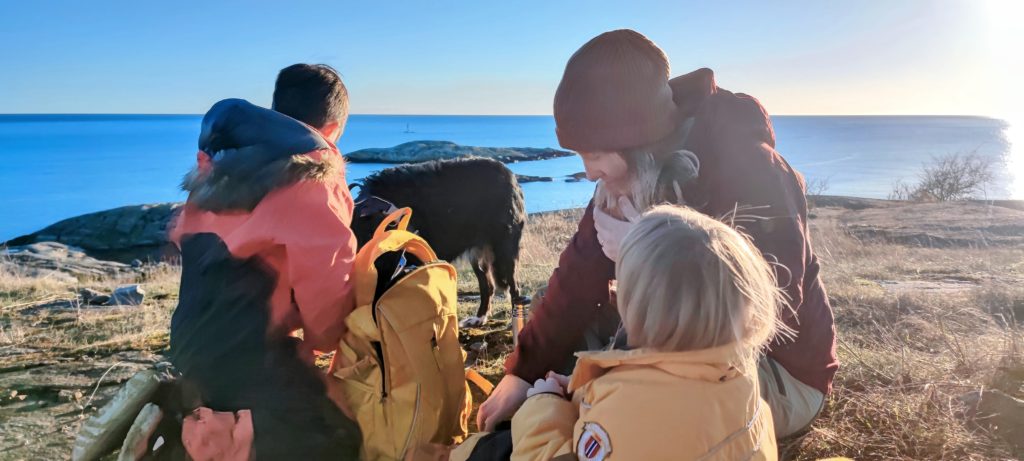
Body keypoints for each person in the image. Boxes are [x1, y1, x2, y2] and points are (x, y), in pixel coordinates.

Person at [477, 29, 838, 439]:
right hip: (676, 341)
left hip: (773, 367)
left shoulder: (754, 169)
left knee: (642, 400)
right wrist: (523, 374)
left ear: (634, 142)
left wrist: (642, 252)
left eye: (593, 155)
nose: (589, 171)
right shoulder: (625, 178)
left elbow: (771, 311)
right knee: (553, 313)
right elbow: (577, 276)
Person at [455, 205, 783, 460]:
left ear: (640, 312)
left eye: (619, 288)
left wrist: (543, 403)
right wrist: (584, 389)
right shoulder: (741, 381)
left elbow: (550, 455)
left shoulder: (632, 410)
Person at [167, 64, 360, 460]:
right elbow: (326, 300)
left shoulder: (220, 168)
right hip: (252, 357)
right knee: (345, 437)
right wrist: (331, 339)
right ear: (334, 129)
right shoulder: (315, 174)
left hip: (190, 346)